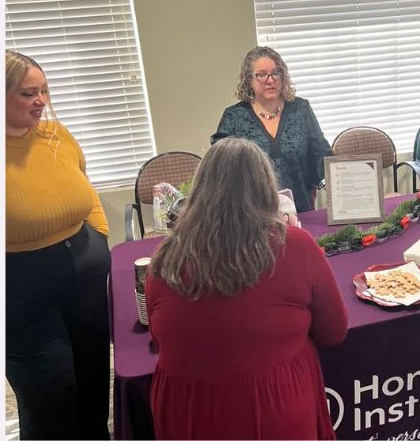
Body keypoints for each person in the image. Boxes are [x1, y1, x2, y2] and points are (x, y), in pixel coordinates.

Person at [146, 137, 347, 439]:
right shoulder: (294, 245)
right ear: (266, 188)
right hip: (273, 406)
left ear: (200, 190)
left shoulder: (165, 256)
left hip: (187, 412)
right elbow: (333, 332)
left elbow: (160, 339)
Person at [4, 51, 110, 439]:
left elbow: (85, 185)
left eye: (44, 91)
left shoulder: (56, 134)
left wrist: (99, 235)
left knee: (94, 375)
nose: (41, 101)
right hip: (26, 291)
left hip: (85, 276)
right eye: (29, 93)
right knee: (50, 395)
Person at [211, 46, 332, 212]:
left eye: (276, 73)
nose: (270, 80)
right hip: (252, 217)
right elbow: (221, 168)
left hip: (301, 212)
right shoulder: (234, 117)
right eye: (261, 75)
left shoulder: (300, 109)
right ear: (249, 80)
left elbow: (322, 156)